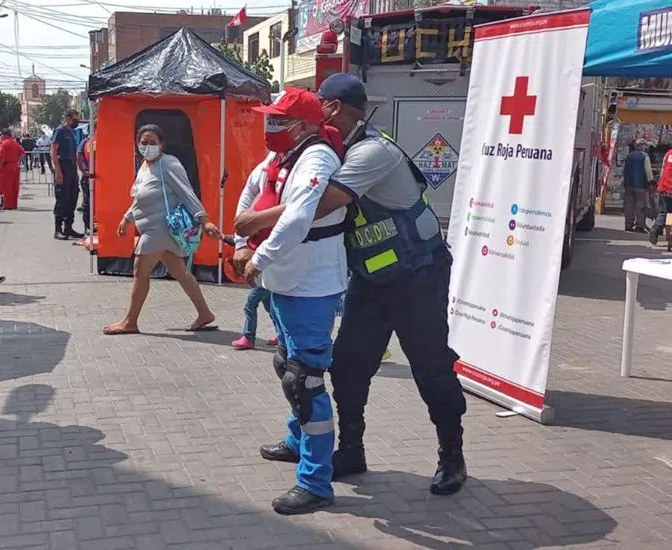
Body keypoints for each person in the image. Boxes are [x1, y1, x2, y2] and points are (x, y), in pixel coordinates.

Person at [235, 74, 468, 497]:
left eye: (320, 101)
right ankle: (351, 451)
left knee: (430, 369)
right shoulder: (332, 149)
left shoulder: (371, 151)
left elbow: (321, 203)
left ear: (336, 108)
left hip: (417, 276)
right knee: (347, 368)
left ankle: (451, 456)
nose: (313, 108)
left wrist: (256, 221)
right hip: (371, 281)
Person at [236, 88, 346, 514]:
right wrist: (243, 239)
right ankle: (297, 441)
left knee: (306, 380)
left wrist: (258, 257)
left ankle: (316, 481)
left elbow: (299, 217)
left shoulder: (316, 158)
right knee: (287, 364)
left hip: (310, 283)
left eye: (278, 120)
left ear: (303, 125)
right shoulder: (283, 154)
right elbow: (251, 189)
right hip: (284, 279)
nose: (269, 126)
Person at [102, 124, 221, 335]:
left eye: (152, 142)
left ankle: (130, 321)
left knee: (140, 270)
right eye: (143, 142)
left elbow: (187, 193)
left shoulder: (169, 164)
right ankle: (205, 313)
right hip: (152, 228)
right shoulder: (144, 166)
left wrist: (205, 221)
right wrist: (126, 218)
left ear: (162, 144)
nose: (147, 147)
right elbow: (141, 197)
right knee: (180, 273)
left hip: (159, 230)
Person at [52, 110, 85, 240]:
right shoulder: (60, 131)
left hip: (71, 168)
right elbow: (53, 150)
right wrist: (58, 170)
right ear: (67, 118)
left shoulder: (71, 132)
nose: (76, 122)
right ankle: (58, 229)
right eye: (74, 119)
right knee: (62, 199)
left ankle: (68, 228)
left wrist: (76, 172)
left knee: (73, 197)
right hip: (63, 166)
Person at [622, 139, 654, 232]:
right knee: (641, 207)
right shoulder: (645, 156)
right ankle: (639, 226)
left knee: (629, 206)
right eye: (645, 145)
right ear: (642, 146)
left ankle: (628, 225)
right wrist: (651, 182)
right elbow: (648, 171)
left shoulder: (629, 156)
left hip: (629, 185)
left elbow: (625, 170)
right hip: (641, 186)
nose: (646, 147)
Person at [0, 131, 24, 210]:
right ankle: (14, 204)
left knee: (7, 186)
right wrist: (17, 161)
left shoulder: (3, 144)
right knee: (14, 186)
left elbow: (0, 157)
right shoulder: (15, 143)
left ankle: (8, 205)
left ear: (4, 135)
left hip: (6, 167)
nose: (0, 136)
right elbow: (22, 152)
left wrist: (0, 167)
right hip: (15, 166)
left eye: (1, 135)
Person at [77, 131, 93, 229]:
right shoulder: (88, 142)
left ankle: (92, 224)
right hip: (88, 176)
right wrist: (83, 170)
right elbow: (79, 156)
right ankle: (87, 226)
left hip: (98, 176)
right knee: (88, 202)